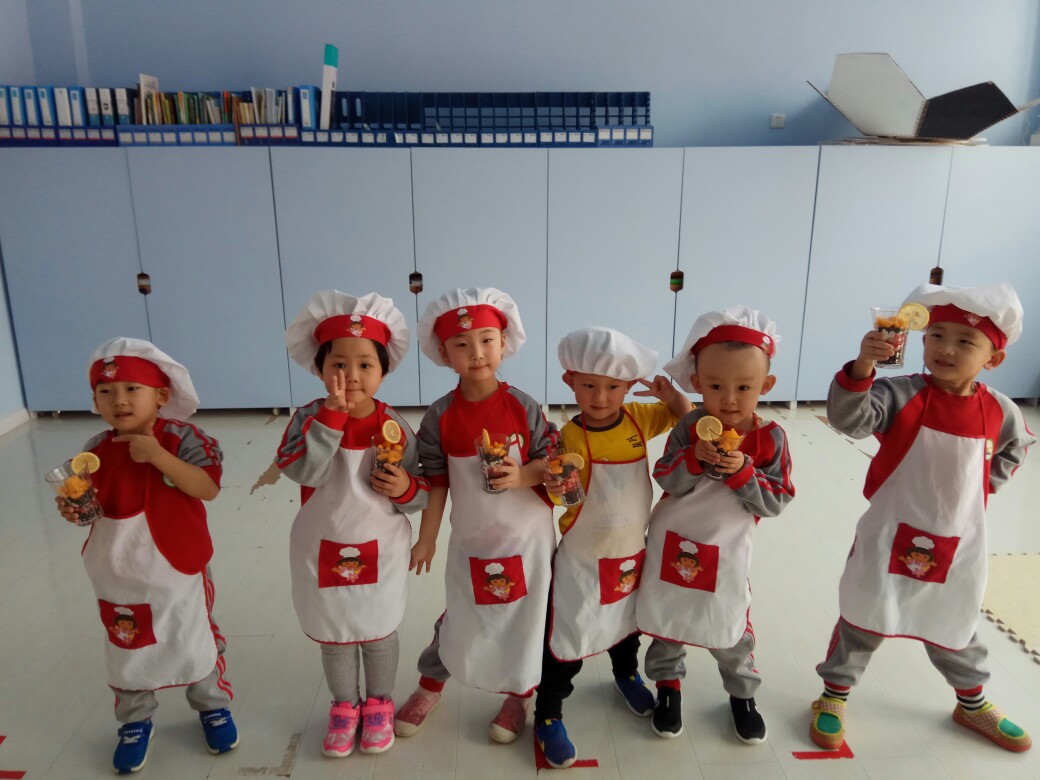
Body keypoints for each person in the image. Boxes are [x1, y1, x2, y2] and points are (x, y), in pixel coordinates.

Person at [810, 282, 1035, 754]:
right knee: (864, 616)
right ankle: (834, 693)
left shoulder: (1000, 410)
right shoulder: (900, 393)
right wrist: (862, 367)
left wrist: (984, 486)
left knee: (955, 620)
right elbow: (850, 420)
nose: (946, 349)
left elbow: (1016, 447)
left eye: (965, 341)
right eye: (937, 336)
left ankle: (971, 703)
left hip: (959, 539)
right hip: (889, 530)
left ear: (993, 359)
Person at [56, 337, 237, 775]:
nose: (119, 400)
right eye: (106, 391)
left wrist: (157, 456)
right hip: (117, 570)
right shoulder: (93, 452)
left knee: (192, 636)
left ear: (161, 395)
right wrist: (74, 509)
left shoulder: (183, 438)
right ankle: (135, 720)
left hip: (178, 566)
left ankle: (212, 705)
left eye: (132, 389)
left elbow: (207, 488)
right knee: (127, 644)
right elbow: (91, 507)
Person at [394, 288, 558, 744]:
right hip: (473, 539)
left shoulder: (523, 406)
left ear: (504, 343)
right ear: (444, 354)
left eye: (487, 340)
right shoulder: (439, 417)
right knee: (461, 615)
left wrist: (522, 475)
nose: (477, 353)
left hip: (527, 541)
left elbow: (550, 463)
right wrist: (427, 538)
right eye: (462, 344)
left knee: (526, 619)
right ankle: (429, 686)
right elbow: (437, 482)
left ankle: (518, 695)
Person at [278, 291, 429, 758]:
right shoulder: (308, 419)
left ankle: (379, 704)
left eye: (365, 364)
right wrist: (331, 418)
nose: (351, 376)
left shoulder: (395, 426)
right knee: (335, 631)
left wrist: (403, 486)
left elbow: (422, 494)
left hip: (381, 544)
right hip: (322, 541)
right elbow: (303, 472)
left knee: (378, 628)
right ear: (320, 368)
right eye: (338, 364)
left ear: (384, 371)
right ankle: (344, 706)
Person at [534, 327, 693, 768]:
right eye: (589, 385)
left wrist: (671, 395)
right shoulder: (565, 436)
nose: (600, 397)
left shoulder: (640, 418)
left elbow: (688, 420)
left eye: (613, 387)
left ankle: (626, 675)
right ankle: (548, 712)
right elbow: (560, 496)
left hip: (630, 551)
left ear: (628, 387)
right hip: (583, 556)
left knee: (628, 626)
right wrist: (555, 487)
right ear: (570, 382)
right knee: (567, 636)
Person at [637, 306, 795, 743]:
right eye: (715, 386)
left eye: (744, 387)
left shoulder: (771, 438)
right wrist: (692, 458)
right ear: (696, 383)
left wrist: (743, 471)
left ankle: (742, 695)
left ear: (766, 386)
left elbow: (776, 500)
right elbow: (665, 477)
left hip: (727, 549)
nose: (728, 399)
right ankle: (668, 686)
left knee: (729, 623)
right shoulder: (690, 426)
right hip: (674, 538)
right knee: (669, 617)